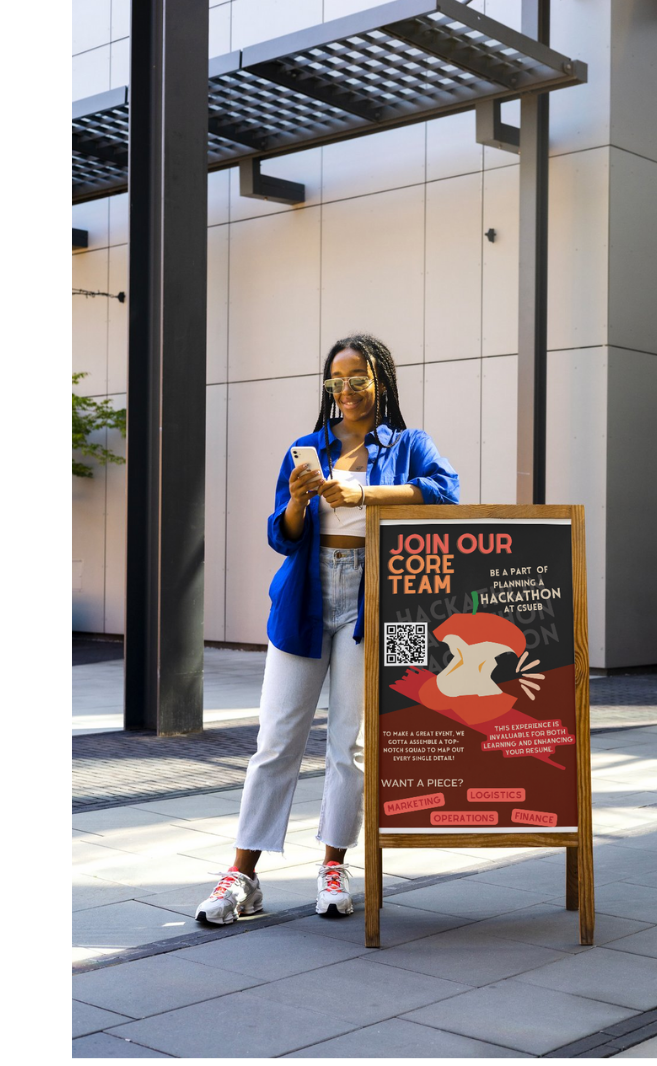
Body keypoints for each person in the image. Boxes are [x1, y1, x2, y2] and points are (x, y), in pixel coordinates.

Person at [196, 334, 460, 924]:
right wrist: (296, 502)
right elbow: (281, 536)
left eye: (357, 379)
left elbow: (445, 494)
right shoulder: (305, 447)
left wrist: (361, 493)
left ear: (380, 383)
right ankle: (243, 874)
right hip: (306, 598)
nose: (345, 390)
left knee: (351, 746)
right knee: (275, 741)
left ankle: (333, 865)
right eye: (335, 380)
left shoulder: (409, 444)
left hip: (378, 603)